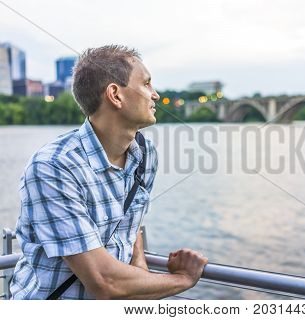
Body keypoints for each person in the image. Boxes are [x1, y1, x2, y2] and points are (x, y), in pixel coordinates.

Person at [10, 45, 208, 299]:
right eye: (146, 84)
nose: (155, 95)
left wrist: (139, 281)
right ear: (115, 95)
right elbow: (104, 283)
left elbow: (130, 225)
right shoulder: (53, 167)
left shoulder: (145, 154)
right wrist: (183, 279)